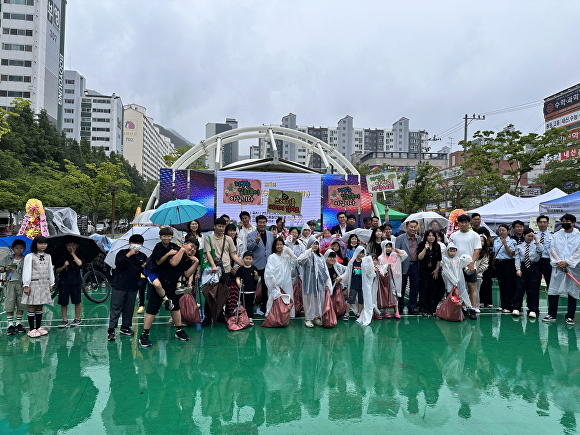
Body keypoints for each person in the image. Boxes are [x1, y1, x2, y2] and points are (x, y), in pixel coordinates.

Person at [138, 235, 199, 347]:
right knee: (152, 310)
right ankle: (144, 335)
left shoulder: (187, 259)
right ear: (184, 244)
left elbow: (186, 274)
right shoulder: (175, 250)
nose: (193, 249)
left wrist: (196, 263)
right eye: (191, 246)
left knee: (175, 308)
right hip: (159, 284)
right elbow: (173, 263)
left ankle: (179, 331)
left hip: (172, 286)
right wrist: (182, 250)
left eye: (195, 248)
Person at [108, 234, 150, 341]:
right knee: (116, 308)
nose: (136, 245)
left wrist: (145, 267)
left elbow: (143, 271)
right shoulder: (122, 253)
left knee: (129, 308)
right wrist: (129, 254)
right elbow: (119, 264)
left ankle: (125, 327)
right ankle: (111, 330)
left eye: (139, 243)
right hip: (119, 285)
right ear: (129, 243)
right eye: (134, 242)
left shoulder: (143, 256)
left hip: (133, 286)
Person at [543, 214, 580, 325]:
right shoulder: (557, 235)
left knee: (572, 291)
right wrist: (559, 262)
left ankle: (570, 316)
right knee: (554, 289)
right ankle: (552, 314)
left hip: (573, 267)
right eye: (563, 221)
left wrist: (567, 262)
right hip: (558, 267)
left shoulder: (578, 236)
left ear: (573, 222)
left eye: (567, 221)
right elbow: (552, 249)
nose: (564, 223)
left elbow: (579, 251)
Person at [448, 214, 481, 319]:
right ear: (458, 224)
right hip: (456, 266)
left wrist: (472, 262)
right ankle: (461, 307)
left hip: (470, 266)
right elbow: (450, 250)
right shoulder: (453, 236)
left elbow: (477, 250)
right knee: (459, 288)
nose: (464, 224)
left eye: (466, 222)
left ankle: (473, 308)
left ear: (469, 223)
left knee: (472, 287)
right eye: (462, 222)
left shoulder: (475, 235)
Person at [21, 236, 54, 338]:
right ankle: (31, 329)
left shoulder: (48, 256)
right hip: (33, 284)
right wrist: (26, 284)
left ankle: (38, 327)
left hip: (44, 284)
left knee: (40, 306)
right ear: (35, 244)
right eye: (40, 243)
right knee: (32, 306)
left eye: (45, 243)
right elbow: (26, 270)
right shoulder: (30, 256)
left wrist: (51, 283)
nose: (43, 245)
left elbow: (50, 270)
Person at [54, 236, 85, 327]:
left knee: (77, 301)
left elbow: (80, 264)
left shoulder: (80, 255)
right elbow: (56, 270)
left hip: (76, 281)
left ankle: (77, 318)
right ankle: (64, 319)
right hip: (64, 282)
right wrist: (64, 266)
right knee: (63, 302)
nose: (71, 247)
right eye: (69, 245)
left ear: (77, 246)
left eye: (74, 245)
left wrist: (73, 254)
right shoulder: (61, 256)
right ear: (65, 246)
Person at [297, 239, 329, 327]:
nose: (315, 246)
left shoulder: (320, 256)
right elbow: (300, 261)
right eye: (313, 244)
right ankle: (308, 318)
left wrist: (325, 281)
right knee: (308, 299)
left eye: (316, 244)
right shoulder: (307, 255)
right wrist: (309, 252)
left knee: (317, 299)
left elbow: (324, 269)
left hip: (319, 282)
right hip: (309, 281)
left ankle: (316, 317)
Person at [247, 215, 274, 315]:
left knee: (266, 287)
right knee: (252, 286)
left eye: (264, 222)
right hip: (256, 264)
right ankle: (249, 308)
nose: (262, 224)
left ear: (266, 223)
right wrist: (256, 242)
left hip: (268, 265)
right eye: (260, 222)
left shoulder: (270, 234)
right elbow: (249, 248)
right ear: (257, 223)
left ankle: (264, 307)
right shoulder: (251, 235)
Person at [264, 237, 298, 317]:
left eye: (281, 244)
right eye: (277, 245)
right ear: (274, 246)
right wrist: (273, 283)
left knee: (286, 299)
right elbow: (269, 271)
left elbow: (294, 262)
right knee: (275, 299)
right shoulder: (272, 257)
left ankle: (285, 316)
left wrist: (290, 253)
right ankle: (274, 316)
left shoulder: (286, 257)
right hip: (276, 283)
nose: (279, 246)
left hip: (286, 282)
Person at [513, 228, 543, 318]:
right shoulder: (519, 246)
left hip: (534, 267)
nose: (530, 238)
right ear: (524, 236)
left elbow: (542, 250)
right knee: (520, 288)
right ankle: (517, 308)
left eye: (532, 236)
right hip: (523, 268)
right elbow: (517, 258)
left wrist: (536, 240)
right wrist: (518, 269)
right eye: (528, 236)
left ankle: (532, 309)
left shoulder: (537, 245)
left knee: (533, 289)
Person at [395, 220, 422, 315]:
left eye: (415, 227)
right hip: (403, 266)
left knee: (414, 288)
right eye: (411, 227)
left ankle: (412, 307)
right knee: (401, 287)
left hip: (415, 265)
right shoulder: (399, 238)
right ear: (407, 227)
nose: (413, 229)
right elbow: (396, 254)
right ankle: (400, 307)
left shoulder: (419, 239)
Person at [0, 239, 27, 335]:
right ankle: (10, 325)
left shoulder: (26, 259)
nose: (19, 250)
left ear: (24, 249)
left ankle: (18, 323)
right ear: (13, 249)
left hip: (22, 284)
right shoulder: (7, 258)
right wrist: (5, 268)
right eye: (16, 248)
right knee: (10, 303)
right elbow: (0, 269)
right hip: (10, 283)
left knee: (21, 304)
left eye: (21, 248)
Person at [441, 243, 473, 315]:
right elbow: (444, 270)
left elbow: (463, 267)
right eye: (450, 251)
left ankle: (461, 308)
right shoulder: (445, 260)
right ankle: (450, 309)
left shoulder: (458, 259)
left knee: (460, 293)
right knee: (450, 293)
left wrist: (467, 269)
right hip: (449, 280)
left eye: (454, 251)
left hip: (459, 279)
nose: (452, 253)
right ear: (447, 251)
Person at [378, 241, 407, 319]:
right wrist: (385, 267)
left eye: (390, 247)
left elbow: (405, 255)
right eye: (386, 247)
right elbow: (380, 268)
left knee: (395, 294)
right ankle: (386, 311)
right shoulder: (380, 257)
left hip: (395, 277)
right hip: (385, 278)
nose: (388, 249)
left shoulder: (396, 255)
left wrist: (398, 251)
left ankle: (396, 311)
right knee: (385, 294)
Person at [417, 229, 443, 316]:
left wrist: (436, 269)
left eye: (433, 236)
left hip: (434, 270)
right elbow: (420, 257)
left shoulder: (437, 246)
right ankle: (424, 309)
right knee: (424, 290)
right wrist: (425, 248)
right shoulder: (421, 245)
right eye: (429, 236)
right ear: (426, 237)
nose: (431, 237)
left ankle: (432, 309)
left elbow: (439, 259)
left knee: (434, 290)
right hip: (424, 270)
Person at [340, 246, 369, 321]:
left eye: (363, 253)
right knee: (350, 299)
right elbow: (347, 273)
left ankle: (359, 313)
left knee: (361, 300)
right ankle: (347, 313)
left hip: (362, 285)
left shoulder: (365, 263)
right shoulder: (352, 263)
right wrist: (341, 279)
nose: (361, 255)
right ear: (356, 253)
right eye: (360, 253)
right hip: (353, 284)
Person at [493, 224, 517, 313]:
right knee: (501, 284)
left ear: (508, 231)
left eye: (503, 230)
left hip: (509, 263)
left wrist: (506, 245)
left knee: (509, 285)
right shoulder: (496, 241)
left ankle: (510, 306)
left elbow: (511, 254)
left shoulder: (512, 241)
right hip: (499, 264)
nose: (501, 232)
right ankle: (503, 304)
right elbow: (494, 253)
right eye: (500, 230)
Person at [235, 251, 259, 325]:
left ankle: (250, 318)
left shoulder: (254, 268)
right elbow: (237, 278)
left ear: (252, 260)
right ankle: (242, 318)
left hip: (251, 291)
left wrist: (256, 275)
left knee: (250, 305)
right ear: (243, 259)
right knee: (242, 305)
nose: (248, 260)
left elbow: (256, 279)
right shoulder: (241, 269)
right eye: (246, 258)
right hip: (242, 291)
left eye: (250, 259)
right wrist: (239, 283)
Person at [476, 227, 494, 308]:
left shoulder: (489, 246)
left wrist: (480, 269)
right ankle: (479, 302)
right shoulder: (474, 248)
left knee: (487, 284)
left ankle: (488, 301)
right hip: (475, 270)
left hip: (486, 268)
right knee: (477, 287)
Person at [535, 215, 553, 290]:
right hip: (537, 262)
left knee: (550, 284)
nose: (543, 224)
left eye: (545, 222)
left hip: (548, 261)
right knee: (535, 284)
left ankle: (551, 301)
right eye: (541, 222)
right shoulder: (533, 235)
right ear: (537, 223)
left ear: (548, 223)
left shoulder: (553, 235)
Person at [474, 234, 490, 312]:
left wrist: (477, 271)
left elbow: (485, 265)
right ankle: (464, 306)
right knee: (465, 290)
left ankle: (476, 306)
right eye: (479, 240)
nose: (480, 242)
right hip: (467, 273)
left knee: (476, 291)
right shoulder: (471, 250)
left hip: (478, 275)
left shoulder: (485, 254)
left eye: (482, 241)